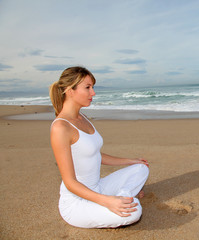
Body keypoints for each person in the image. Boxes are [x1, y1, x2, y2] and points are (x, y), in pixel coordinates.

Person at [49, 66, 149, 228]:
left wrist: (130, 160)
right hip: (77, 202)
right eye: (87, 88)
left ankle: (123, 197)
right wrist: (107, 201)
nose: (93, 93)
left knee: (141, 168)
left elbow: (95, 155)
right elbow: (69, 182)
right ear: (70, 90)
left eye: (92, 87)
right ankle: (124, 199)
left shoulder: (82, 117)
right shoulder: (61, 128)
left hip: (99, 187)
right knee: (134, 212)